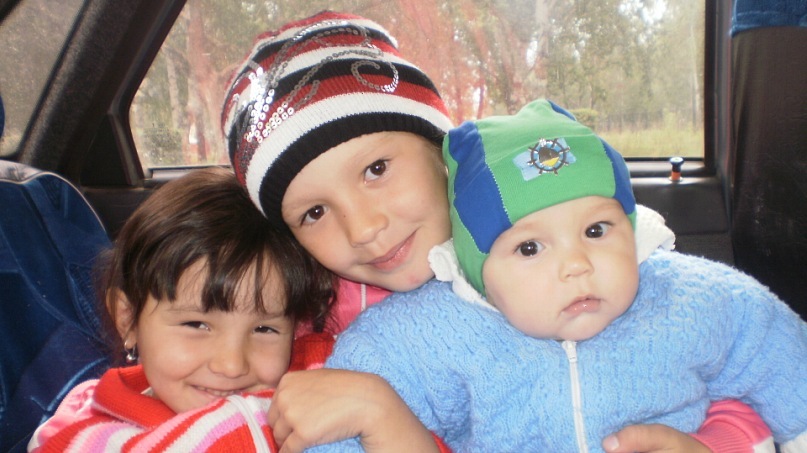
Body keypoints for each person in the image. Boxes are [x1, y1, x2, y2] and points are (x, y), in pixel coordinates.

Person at [220, 10, 777, 453]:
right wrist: (378, 413)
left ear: (442, 152)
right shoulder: (309, 328)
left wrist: (713, 443)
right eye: (314, 213)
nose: (364, 229)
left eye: (377, 169)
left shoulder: (569, 247)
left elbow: (718, 361)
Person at [322, 98, 807, 452]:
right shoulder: (440, 333)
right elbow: (347, 398)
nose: (577, 264)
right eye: (529, 247)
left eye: (596, 230)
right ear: (477, 270)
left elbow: (778, 350)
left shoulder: (687, 298)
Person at [27, 167, 337, 452]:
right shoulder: (87, 439)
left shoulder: (322, 377)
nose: (231, 365)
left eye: (264, 329)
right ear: (128, 320)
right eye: (196, 324)